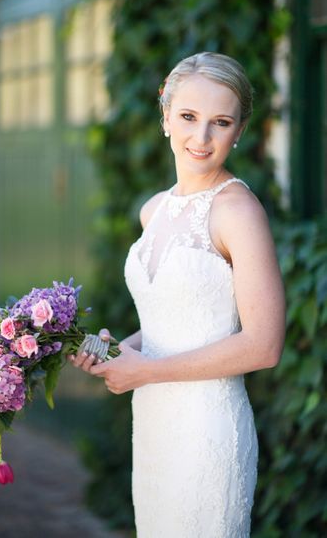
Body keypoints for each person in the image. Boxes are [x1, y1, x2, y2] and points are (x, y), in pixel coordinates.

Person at [68, 52, 285, 537]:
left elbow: (264, 344)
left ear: (240, 130)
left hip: (207, 431)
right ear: (165, 114)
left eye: (221, 122)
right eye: (188, 117)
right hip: (153, 428)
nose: (201, 138)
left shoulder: (238, 211)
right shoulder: (154, 211)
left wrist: (147, 370)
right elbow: (176, 320)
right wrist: (121, 350)